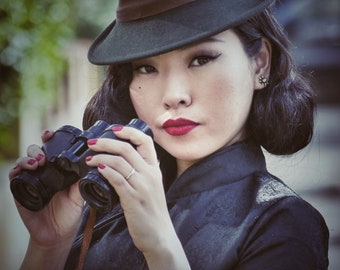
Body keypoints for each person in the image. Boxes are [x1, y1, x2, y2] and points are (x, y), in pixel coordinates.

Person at [9, 0, 329, 269]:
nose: (173, 95)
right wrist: (47, 247)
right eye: (146, 67)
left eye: (201, 59)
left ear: (260, 62)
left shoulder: (285, 224)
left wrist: (161, 249)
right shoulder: (101, 199)